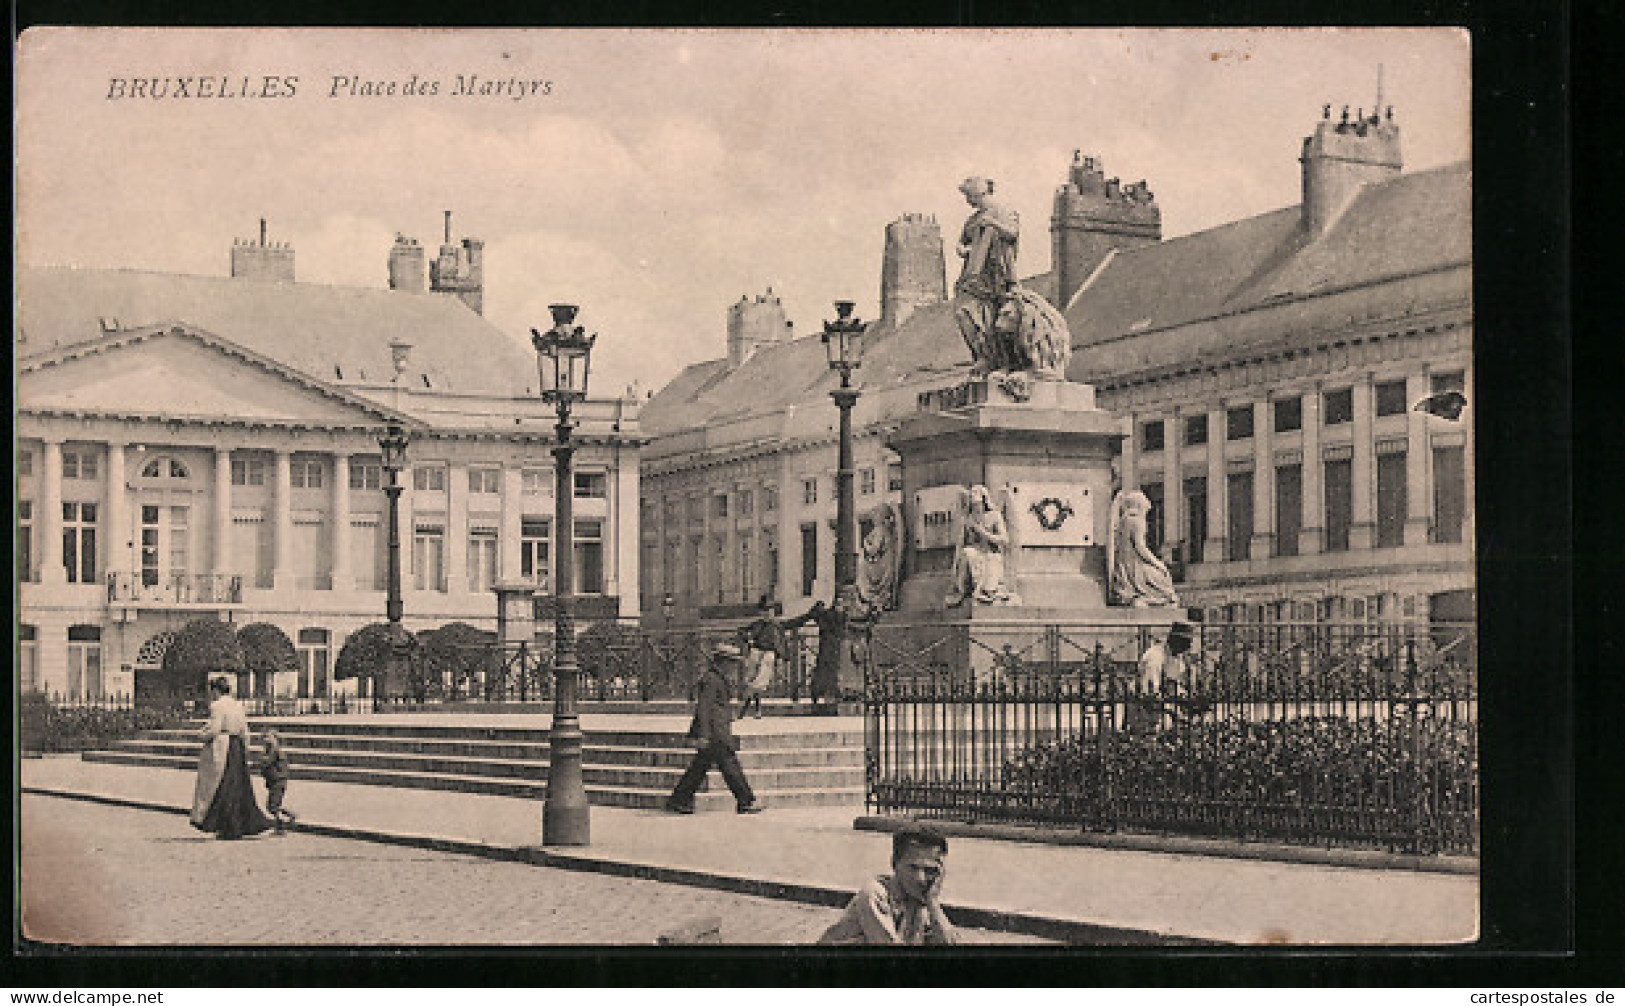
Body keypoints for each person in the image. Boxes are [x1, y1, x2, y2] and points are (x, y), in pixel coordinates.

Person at [819, 822, 960, 945]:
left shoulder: (920, 899)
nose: (920, 878)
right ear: (894, 863)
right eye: (912, 868)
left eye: (930, 870)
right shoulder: (874, 895)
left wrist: (933, 903)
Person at [665, 643, 763, 815]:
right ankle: (746, 801)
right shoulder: (711, 679)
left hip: (717, 729)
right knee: (730, 765)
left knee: (699, 767)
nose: (734, 667)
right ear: (723, 662)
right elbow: (703, 707)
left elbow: (718, 705)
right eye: (732, 663)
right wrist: (703, 734)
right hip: (715, 732)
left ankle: (678, 800)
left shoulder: (718, 678)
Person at [952, 176, 1021, 374]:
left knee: (1000, 318)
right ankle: (982, 355)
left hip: (999, 272)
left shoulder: (1004, 211)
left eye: (969, 196)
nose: (967, 201)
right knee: (964, 311)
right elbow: (961, 243)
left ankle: (1001, 361)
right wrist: (962, 250)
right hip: (973, 275)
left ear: (979, 193)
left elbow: (1012, 233)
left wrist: (993, 223)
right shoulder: (971, 220)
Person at [190, 676, 274, 840]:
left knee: (221, 786)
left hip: (223, 747)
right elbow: (244, 730)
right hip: (237, 747)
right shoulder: (237, 705)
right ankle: (238, 825)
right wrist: (245, 749)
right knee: (238, 787)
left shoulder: (217, 706)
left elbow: (215, 729)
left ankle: (226, 826)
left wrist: (201, 735)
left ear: (216, 690)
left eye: (212, 691)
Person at [1125, 621, 1206, 731]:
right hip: (1145, 708)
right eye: (1186, 642)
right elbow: (1150, 692)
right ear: (1175, 640)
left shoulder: (1178, 657)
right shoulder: (1155, 657)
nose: (1189, 646)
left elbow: (1174, 684)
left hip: (1165, 705)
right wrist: (1174, 711)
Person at [1108, 489, 1181, 608]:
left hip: (1124, 567)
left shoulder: (1124, 520)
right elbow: (1141, 548)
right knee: (1163, 579)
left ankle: (1139, 598)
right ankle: (1150, 599)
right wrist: (1158, 563)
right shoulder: (1137, 521)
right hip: (1135, 568)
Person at [946, 485, 1014, 606]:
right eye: (973, 505)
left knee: (988, 560)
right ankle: (965, 590)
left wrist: (982, 532)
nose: (976, 508)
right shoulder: (968, 518)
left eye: (978, 504)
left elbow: (1004, 540)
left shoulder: (994, 516)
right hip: (975, 552)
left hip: (990, 552)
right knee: (967, 553)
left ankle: (986, 591)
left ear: (984, 502)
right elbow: (961, 543)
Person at [738, 596, 782, 719]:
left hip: (769, 654)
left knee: (759, 682)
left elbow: (794, 623)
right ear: (761, 613)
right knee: (752, 679)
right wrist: (748, 640)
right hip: (756, 652)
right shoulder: (757, 625)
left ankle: (744, 708)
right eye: (765, 611)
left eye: (770, 611)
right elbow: (741, 631)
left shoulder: (777, 625)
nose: (767, 613)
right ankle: (756, 710)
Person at [260, 729, 296, 833]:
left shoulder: (275, 751)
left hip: (278, 781)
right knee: (273, 805)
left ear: (275, 739)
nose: (265, 739)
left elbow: (266, 762)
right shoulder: (270, 750)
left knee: (272, 806)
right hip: (275, 781)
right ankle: (288, 817)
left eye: (268, 737)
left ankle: (281, 825)